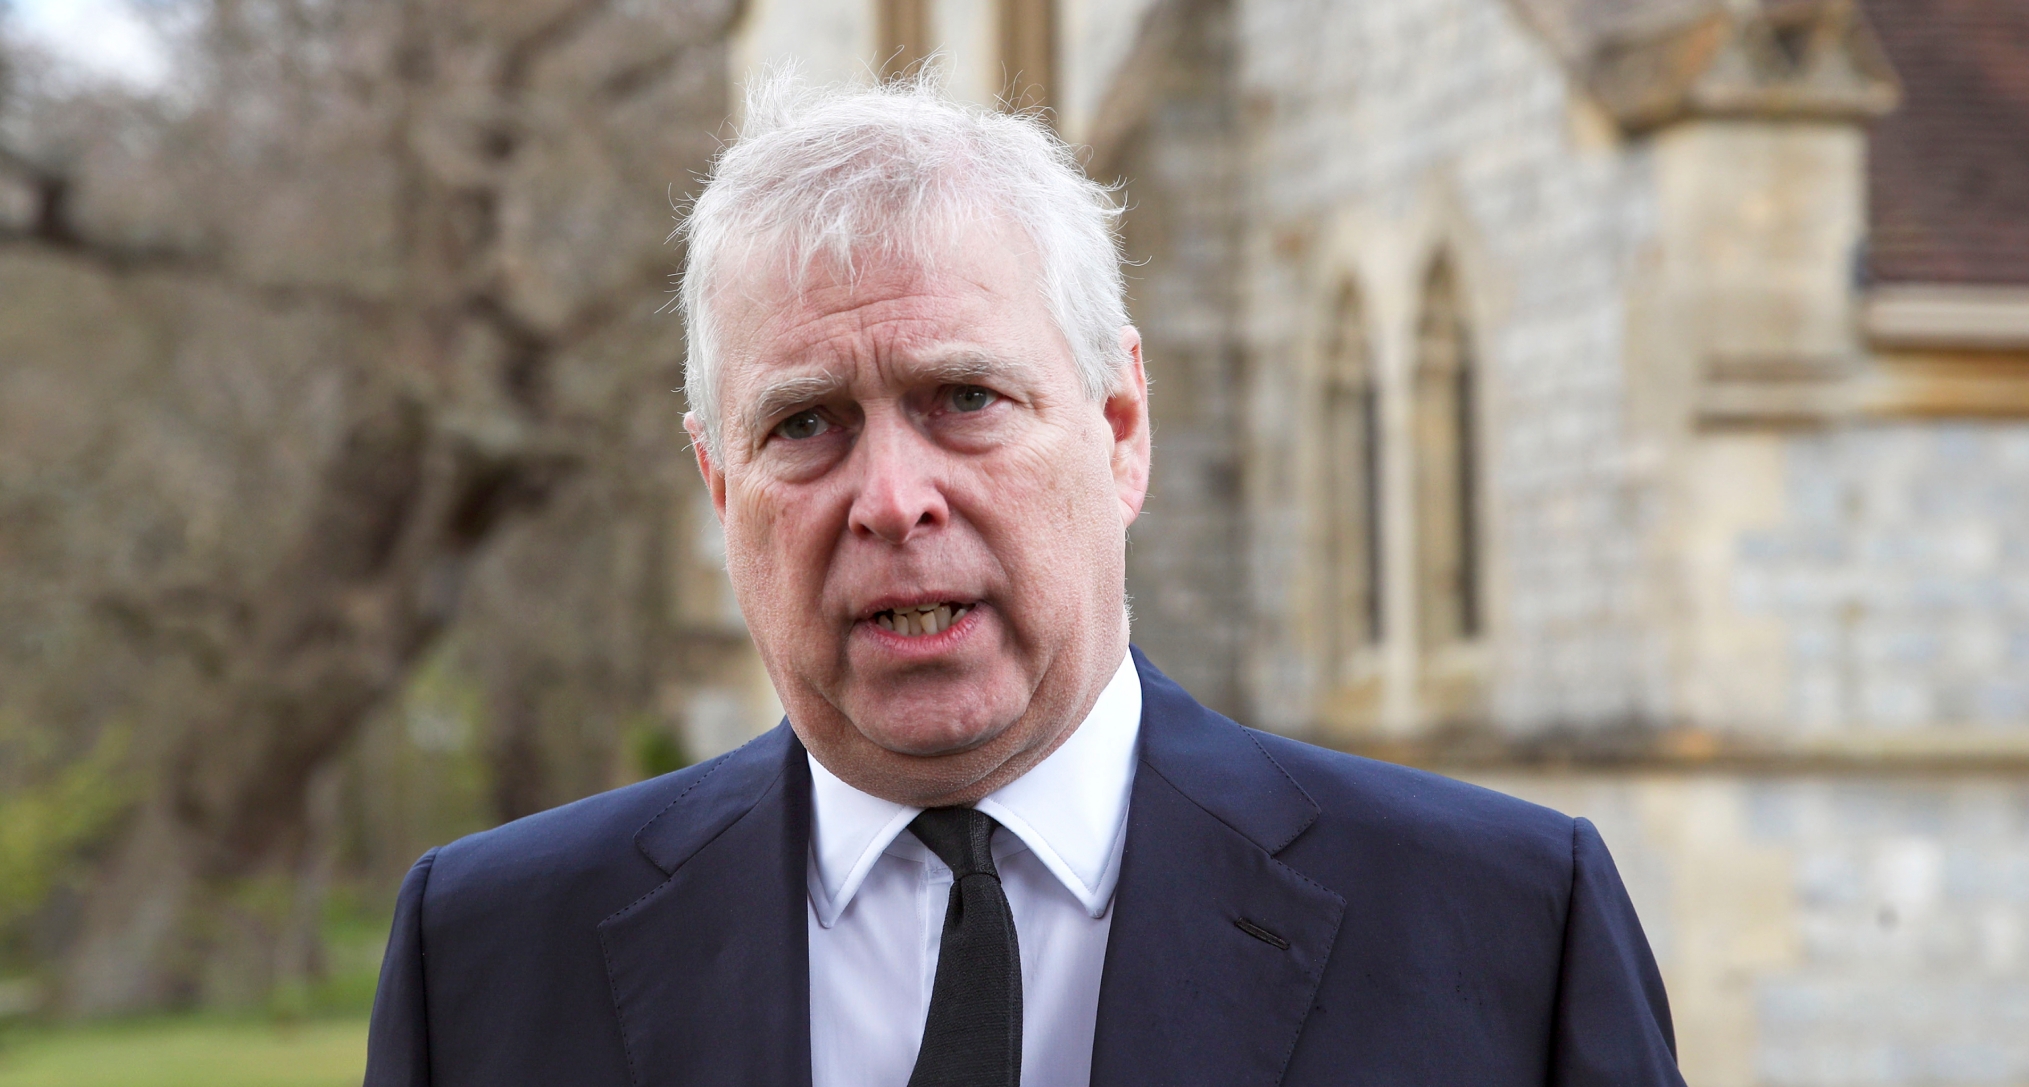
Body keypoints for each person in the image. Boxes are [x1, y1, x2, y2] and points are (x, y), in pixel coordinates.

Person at [363, 74, 1686, 1087]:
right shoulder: (485, 958)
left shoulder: (1507, 927)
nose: (892, 499)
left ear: (1120, 429)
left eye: (964, 399)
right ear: (720, 485)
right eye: (806, 424)